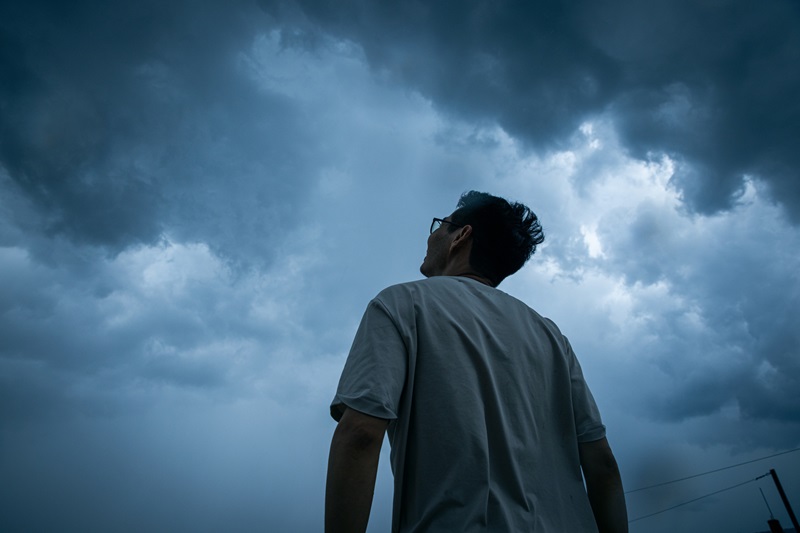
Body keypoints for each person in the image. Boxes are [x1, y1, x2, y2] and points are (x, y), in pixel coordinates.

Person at [326, 191, 627, 533]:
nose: (431, 237)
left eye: (440, 226)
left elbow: (361, 433)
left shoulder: (402, 303)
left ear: (461, 236)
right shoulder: (552, 337)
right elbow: (603, 465)